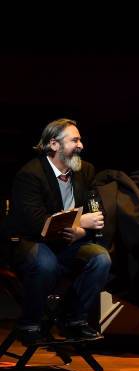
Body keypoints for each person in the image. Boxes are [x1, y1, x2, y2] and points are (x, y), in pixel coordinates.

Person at [8, 118, 111, 345]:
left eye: (80, 139)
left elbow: (96, 208)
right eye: (74, 140)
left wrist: (81, 232)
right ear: (54, 144)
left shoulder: (85, 171)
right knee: (45, 264)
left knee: (101, 259)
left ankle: (73, 320)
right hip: (32, 242)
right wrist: (80, 222)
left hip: (69, 243)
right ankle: (30, 323)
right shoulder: (31, 175)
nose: (81, 145)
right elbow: (37, 224)